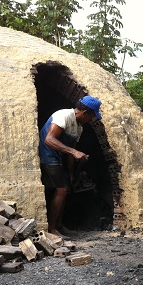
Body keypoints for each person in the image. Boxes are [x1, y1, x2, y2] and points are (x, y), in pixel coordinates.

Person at [38, 95, 102, 237]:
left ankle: (59, 226)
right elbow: (49, 139)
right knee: (62, 189)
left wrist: (71, 173)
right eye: (91, 116)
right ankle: (52, 228)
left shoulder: (79, 128)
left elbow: (70, 154)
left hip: (59, 157)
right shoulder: (64, 115)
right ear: (85, 113)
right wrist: (74, 151)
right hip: (48, 155)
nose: (91, 120)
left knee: (65, 189)